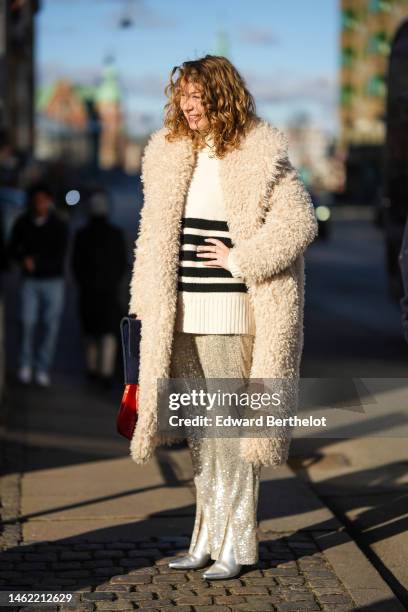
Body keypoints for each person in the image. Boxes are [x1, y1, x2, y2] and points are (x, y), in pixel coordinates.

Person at [128, 55, 318, 580]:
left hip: (230, 312)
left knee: (231, 432)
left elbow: (300, 222)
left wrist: (240, 258)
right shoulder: (169, 153)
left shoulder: (258, 151)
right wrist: (144, 304)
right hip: (178, 313)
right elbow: (153, 238)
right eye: (182, 97)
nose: (187, 107)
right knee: (201, 434)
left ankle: (238, 544)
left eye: (197, 96)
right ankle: (205, 540)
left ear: (222, 95)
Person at [7, 182, 68, 387]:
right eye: (36, 201)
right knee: (26, 322)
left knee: (50, 326)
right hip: (30, 281)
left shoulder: (58, 225)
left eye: (43, 201)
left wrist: (38, 262)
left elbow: (60, 253)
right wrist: (23, 258)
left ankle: (42, 367)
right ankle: (25, 365)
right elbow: (12, 248)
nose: (40, 205)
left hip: (53, 280)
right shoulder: (23, 223)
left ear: (49, 202)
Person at [72, 190, 127, 386]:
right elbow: (122, 264)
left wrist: (83, 283)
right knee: (108, 332)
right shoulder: (116, 235)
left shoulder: (81, 235)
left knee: (90, 331)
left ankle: (92, 369)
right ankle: (106, 372)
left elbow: (75, 264)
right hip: (109, 292)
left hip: (88, 291)